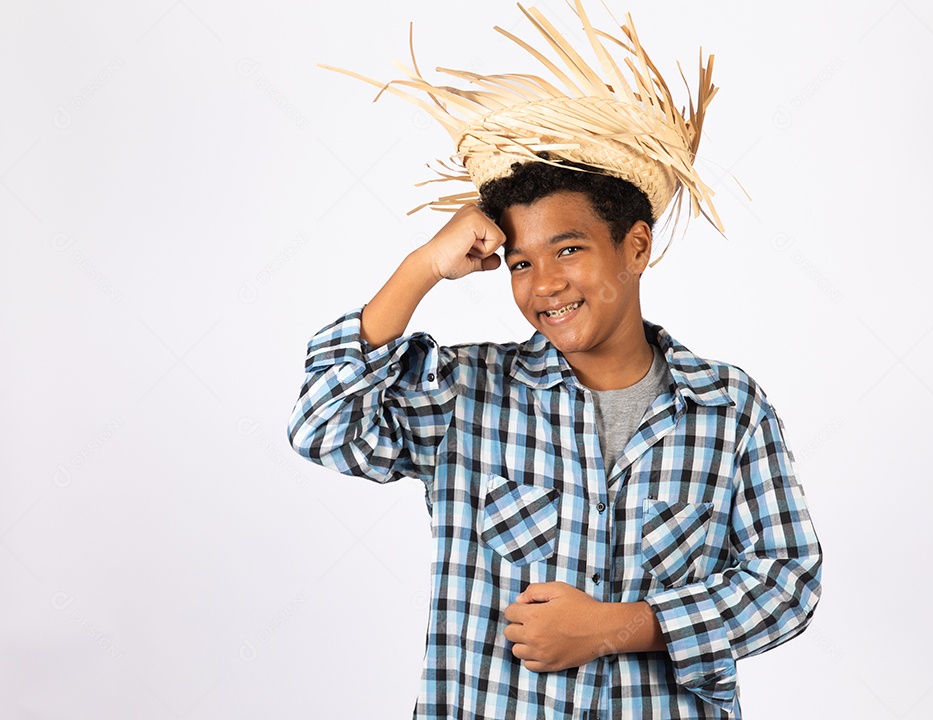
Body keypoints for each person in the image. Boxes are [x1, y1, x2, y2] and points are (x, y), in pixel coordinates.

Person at [288, 3, 822, 718]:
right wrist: (421, 268)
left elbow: (787, 582)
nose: (544, 285)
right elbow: (323, 428)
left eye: (569, 249)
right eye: (519, 263)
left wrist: (620, 627)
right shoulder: (468, 394)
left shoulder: (729, 408)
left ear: (636, 247)